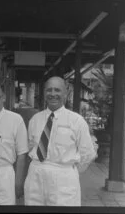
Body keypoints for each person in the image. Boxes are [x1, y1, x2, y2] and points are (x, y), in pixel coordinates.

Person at [24, 76, 97, 206]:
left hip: (64, 180)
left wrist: (69, 171)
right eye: (49, 90)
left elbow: (88, 154)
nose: (53, 94)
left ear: (65, 93)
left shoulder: (76, 121)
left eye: (57, 90)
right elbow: (30, 146)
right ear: (44, 92)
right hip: (35, 176)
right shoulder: (35, 120)